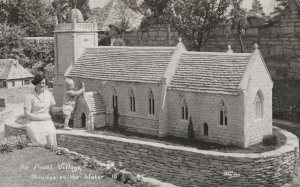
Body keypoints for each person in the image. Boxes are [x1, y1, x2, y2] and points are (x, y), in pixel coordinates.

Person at [24, 74, 61, 146]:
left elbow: (52, 110)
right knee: (35, 132)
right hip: (33, 121)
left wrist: (63, 108)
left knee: (50, 132)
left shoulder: (49, 94)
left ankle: (51, 151)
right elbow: (27, 114)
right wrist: (40, 118)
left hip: (47, 121)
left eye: (43, 83)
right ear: (35, 83)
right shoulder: (29, 96)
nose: (42, 85)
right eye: (39, 83)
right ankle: (40, 150)